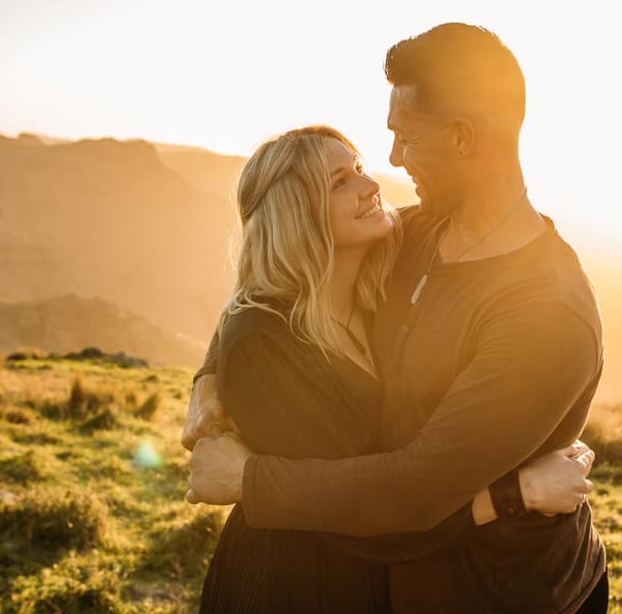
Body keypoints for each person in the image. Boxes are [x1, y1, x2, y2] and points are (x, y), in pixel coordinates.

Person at [187, 125, 597, 613]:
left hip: (370, 582)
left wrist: (208, 381)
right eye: (340, 182)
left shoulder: (388, 261)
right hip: (296, 582)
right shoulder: (266, 342)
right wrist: (517, 493)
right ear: (295, 215)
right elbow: (366, 519)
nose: (373, 183)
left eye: (358, 169)